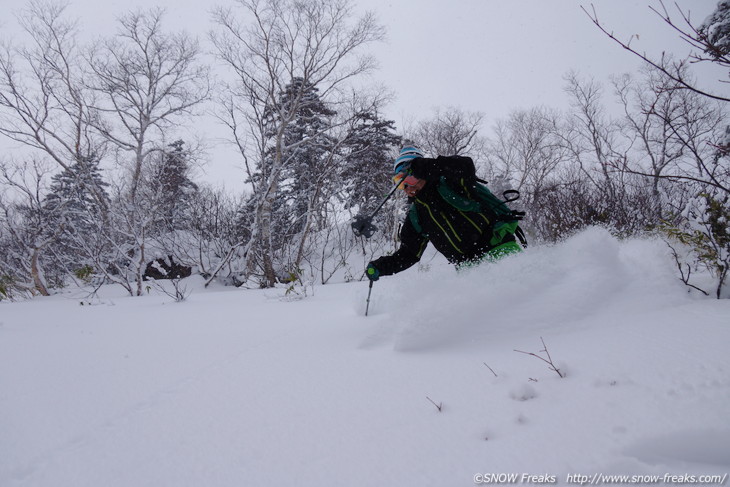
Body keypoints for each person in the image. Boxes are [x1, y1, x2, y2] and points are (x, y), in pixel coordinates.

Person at [365, 146, 523, 281]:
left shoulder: (450, 182)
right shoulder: (417, 215)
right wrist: (381, 266)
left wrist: (429, 166)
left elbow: (465, 167)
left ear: (421, 172)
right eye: (401, 183)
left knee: (517, 306)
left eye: (409, 179)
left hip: (498, 248)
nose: (407, 187)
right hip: (468, 267)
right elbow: (409, 253)